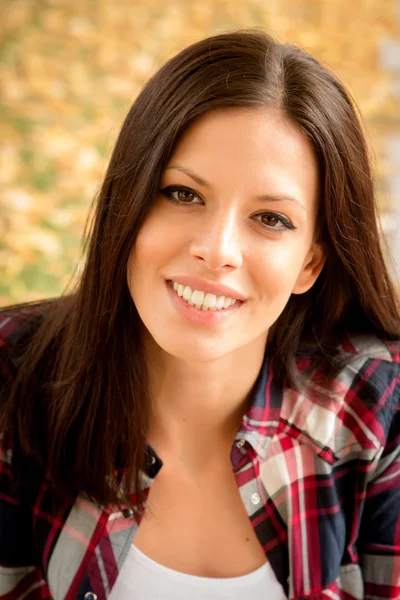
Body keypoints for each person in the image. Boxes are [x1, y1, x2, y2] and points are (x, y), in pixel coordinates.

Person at [0, 29, 399, 600]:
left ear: (309, 263)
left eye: (271, 219)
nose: (217, 250)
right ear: (128, 205)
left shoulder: (379, 413)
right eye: (183, 195)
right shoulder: (10, 385)